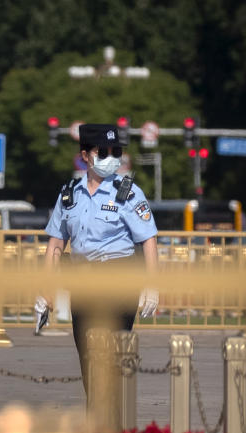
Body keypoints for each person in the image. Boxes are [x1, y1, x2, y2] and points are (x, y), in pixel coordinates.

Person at [36, 123, 159, 394]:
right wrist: (45, 293)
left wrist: (151, 286)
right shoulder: (69, 195)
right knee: (87, 354)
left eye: (116, 151)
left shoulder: (128, 193)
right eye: (103, 151)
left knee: (115, 356)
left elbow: (148, 239)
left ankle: (117, 425)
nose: (111, 157)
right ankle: (98, 424)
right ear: (85, 157)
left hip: (120, 279)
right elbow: (56, 245)